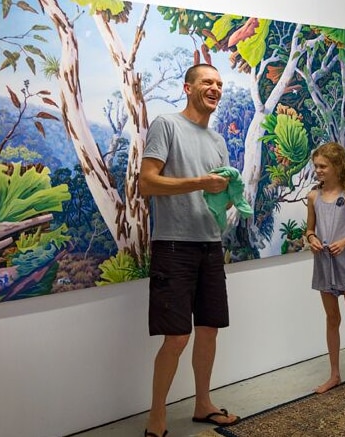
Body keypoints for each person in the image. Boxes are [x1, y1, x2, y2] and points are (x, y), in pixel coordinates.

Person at [139, 63, 241, 437]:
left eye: (219, 84)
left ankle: (202, 405)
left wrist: (231, 197)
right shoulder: (166, 125)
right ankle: (156, 417)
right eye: (207, 82)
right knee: (177, 336)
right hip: (173, 245)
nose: (215, 88)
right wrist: (200, 182)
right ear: (188, 87)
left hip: (210, 246)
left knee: (210, 329)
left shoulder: (217, 142)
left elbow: (220, 195)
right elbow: (146, 183)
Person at [304, 141, 345, 395]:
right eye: (316, 166)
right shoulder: (313, 197)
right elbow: (309, 230)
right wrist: (311, 239)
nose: (318, 170)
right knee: (332, 319)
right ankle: (334, 374)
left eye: (323, 166)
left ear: (337, 166)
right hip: (324, 265)